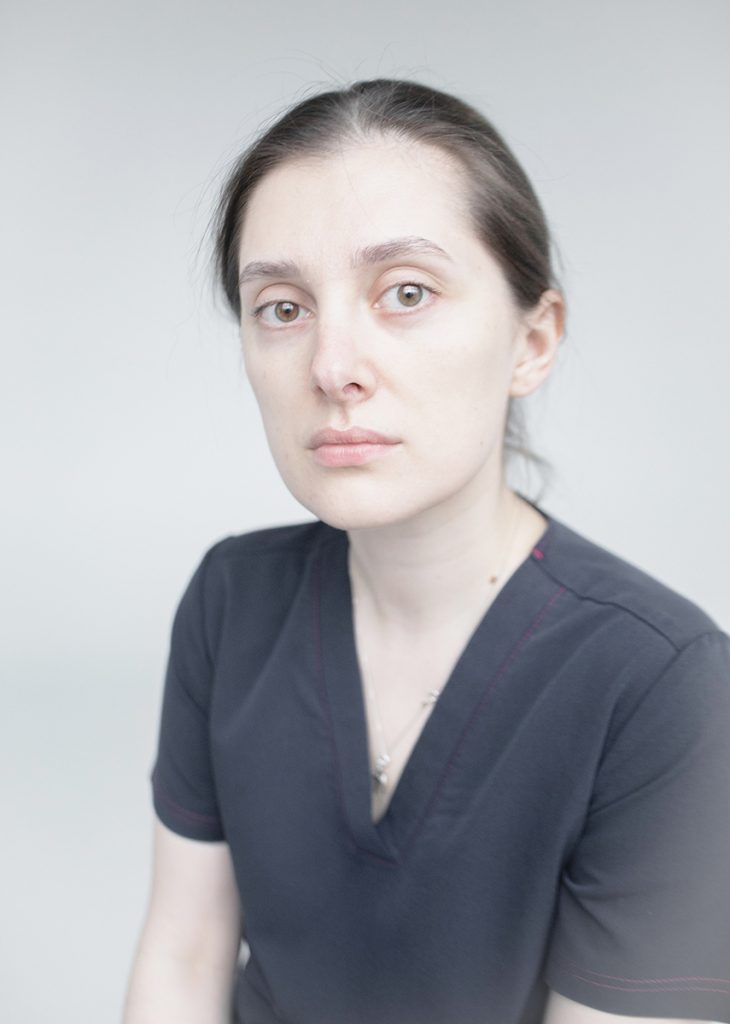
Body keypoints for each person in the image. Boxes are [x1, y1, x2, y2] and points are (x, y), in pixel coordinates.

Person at [123, 79, 730, 1024]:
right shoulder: (230, 603)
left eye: (406, 293)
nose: (332, 367)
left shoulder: (660, 685)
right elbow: (183, 956)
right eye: (281, 307)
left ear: (533, 341)